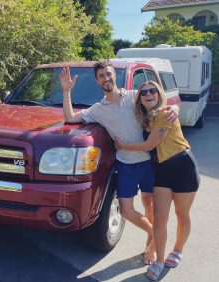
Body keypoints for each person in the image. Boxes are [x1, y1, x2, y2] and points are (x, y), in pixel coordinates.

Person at [59, 60, 178, 265]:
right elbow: (70, 117)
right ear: (98, 81)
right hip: (126, 165)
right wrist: (67, 91)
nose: (106, 78)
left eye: (109, 74)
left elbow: (160, 102)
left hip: (148, 162)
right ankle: (156, 233)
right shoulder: (97, 109)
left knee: (150, 206)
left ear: (115, 75)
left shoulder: (133, 96)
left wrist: (175, 107)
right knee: (126, 210)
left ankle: (151, 244)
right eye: (102, 76)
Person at [115, 80, 200, 281]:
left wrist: (122, 145)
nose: (148, 94)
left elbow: (150, 144)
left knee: (182, 214)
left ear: (159, 93)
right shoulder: (145, 118)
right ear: (140, 99)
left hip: (183, 166)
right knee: (160, 219)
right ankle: (160, 259)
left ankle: (178, 250)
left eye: (152, 90)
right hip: (162, 170)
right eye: (143, 92)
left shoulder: (164, 113)